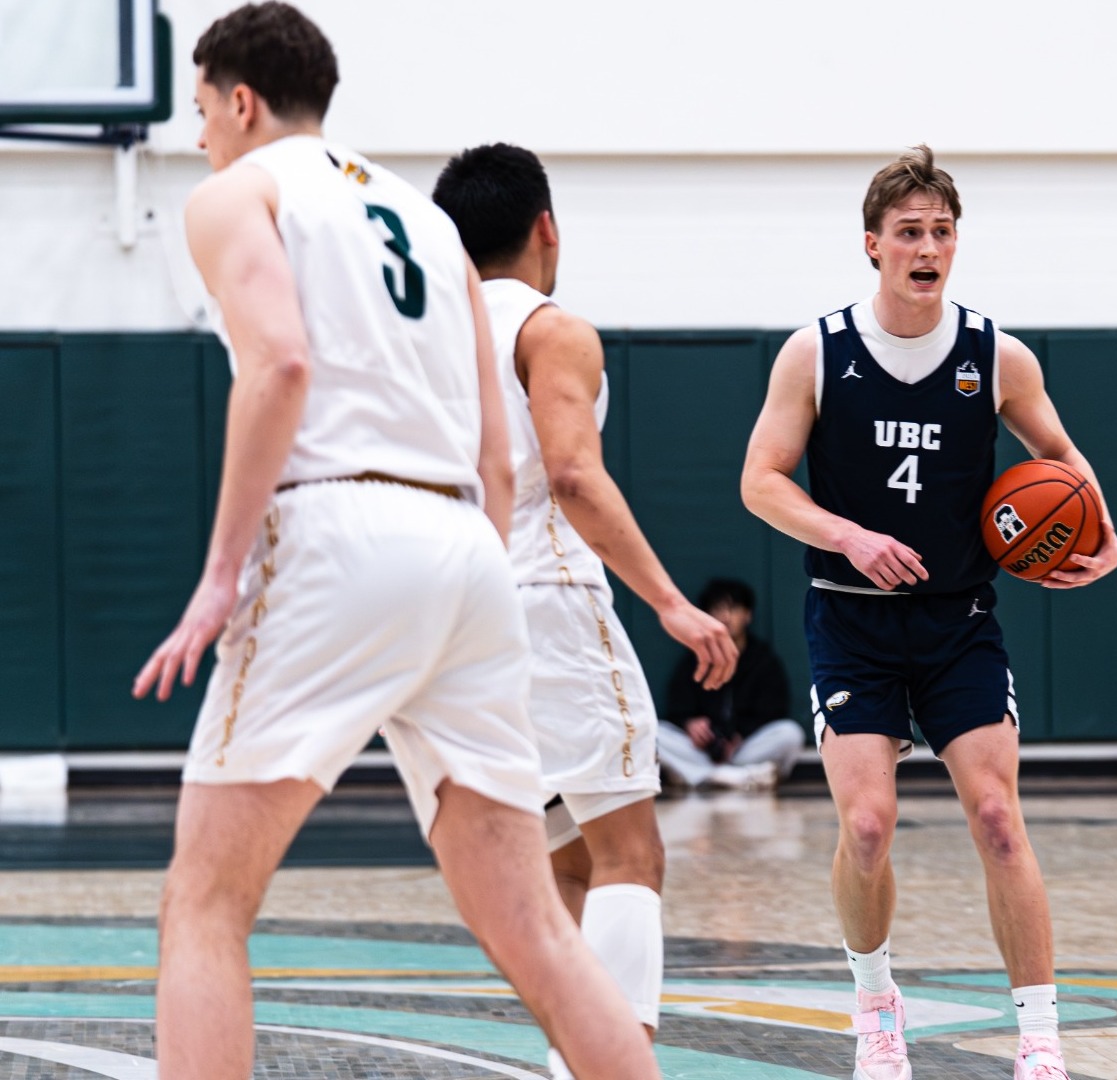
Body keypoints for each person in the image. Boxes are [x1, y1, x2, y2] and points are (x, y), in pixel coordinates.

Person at [130, 6, 655, 1078]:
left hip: (335, 528)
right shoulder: (425, 220)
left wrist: (220, 575)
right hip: (468, 547)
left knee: (204, 906)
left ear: (240, 100)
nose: (198, 139)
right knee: (544, 937)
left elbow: (278, 366)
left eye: (199, 113)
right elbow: (496, 452)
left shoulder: (237, 193)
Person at [741, 145, 1117, 1080]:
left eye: (941, 232)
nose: (927, 247)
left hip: (958, 622)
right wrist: (847, 536)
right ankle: (876, 1006)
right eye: (908, 232)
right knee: (866, 829)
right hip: (852, 618)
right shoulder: (816, 351)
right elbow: (760, 482)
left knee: (997, 819)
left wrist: (1104, 536)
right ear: (872, 245)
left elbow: (1063, 458)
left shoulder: (997, 355)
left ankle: (1039, 1037)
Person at [431, 142, 738, 1078]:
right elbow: (571, 473)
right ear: (546, 229)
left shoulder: (425, 334)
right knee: (633, 854)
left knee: (566, 860)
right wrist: (674, 605)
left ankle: (574, 1063)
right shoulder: (552, 329)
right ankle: (617, 1066)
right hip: (547, 601)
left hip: (448, 617)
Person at [659, 578, 807, 790]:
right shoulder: (694, 658)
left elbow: (774, 711)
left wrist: (739, 736)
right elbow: (678, 709)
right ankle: (735, 777)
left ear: (748, 615)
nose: (725, 616)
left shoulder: (763, 660)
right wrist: (690, 724)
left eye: (733, 609)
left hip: (744, 748)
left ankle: (708, 776)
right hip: (702, 751)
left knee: (790, 733)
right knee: (655, 732)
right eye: (717, 609)